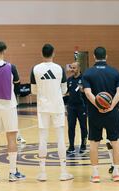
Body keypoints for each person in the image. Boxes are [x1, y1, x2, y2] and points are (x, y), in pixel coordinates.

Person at [30, 44, 74, 181]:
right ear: (53, 53)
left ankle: (43, 173)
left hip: (42, 107)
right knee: (60, 137)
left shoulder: (35, 69)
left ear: (41, 53)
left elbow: (33, 90)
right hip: (57, 107)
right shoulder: (59, 68)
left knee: (43, 138)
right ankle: (63, 172)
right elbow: (64, 90)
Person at [0, 41, 26, 182]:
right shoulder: (11, 67)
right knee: (12, 138)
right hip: (9, 105)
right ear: (4, 51)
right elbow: (17, 84)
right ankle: (12, 172)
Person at [82, 46, 119, 183]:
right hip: (112, 113)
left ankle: (95, 174)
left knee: (94, 143)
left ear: (94, 57)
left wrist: (99, 106)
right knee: (116, 141)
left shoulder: (88, 73)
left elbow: (88, 93)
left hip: (95, 114)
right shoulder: (115, 72)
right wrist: (110, 106)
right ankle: (116, 172)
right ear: (106, 56)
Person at [66, 62, 88, 155]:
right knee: (71, 127)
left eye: (74, 68)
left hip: (82, 107)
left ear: (79, 68)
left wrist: (83, 90)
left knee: (83, 127)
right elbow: (66, 92)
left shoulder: (84, 79)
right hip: (71, 107)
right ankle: (71, 146)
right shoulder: (69, 80)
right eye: (71, 68)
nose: (72, 69)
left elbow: (88, 92)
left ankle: (83, 145)